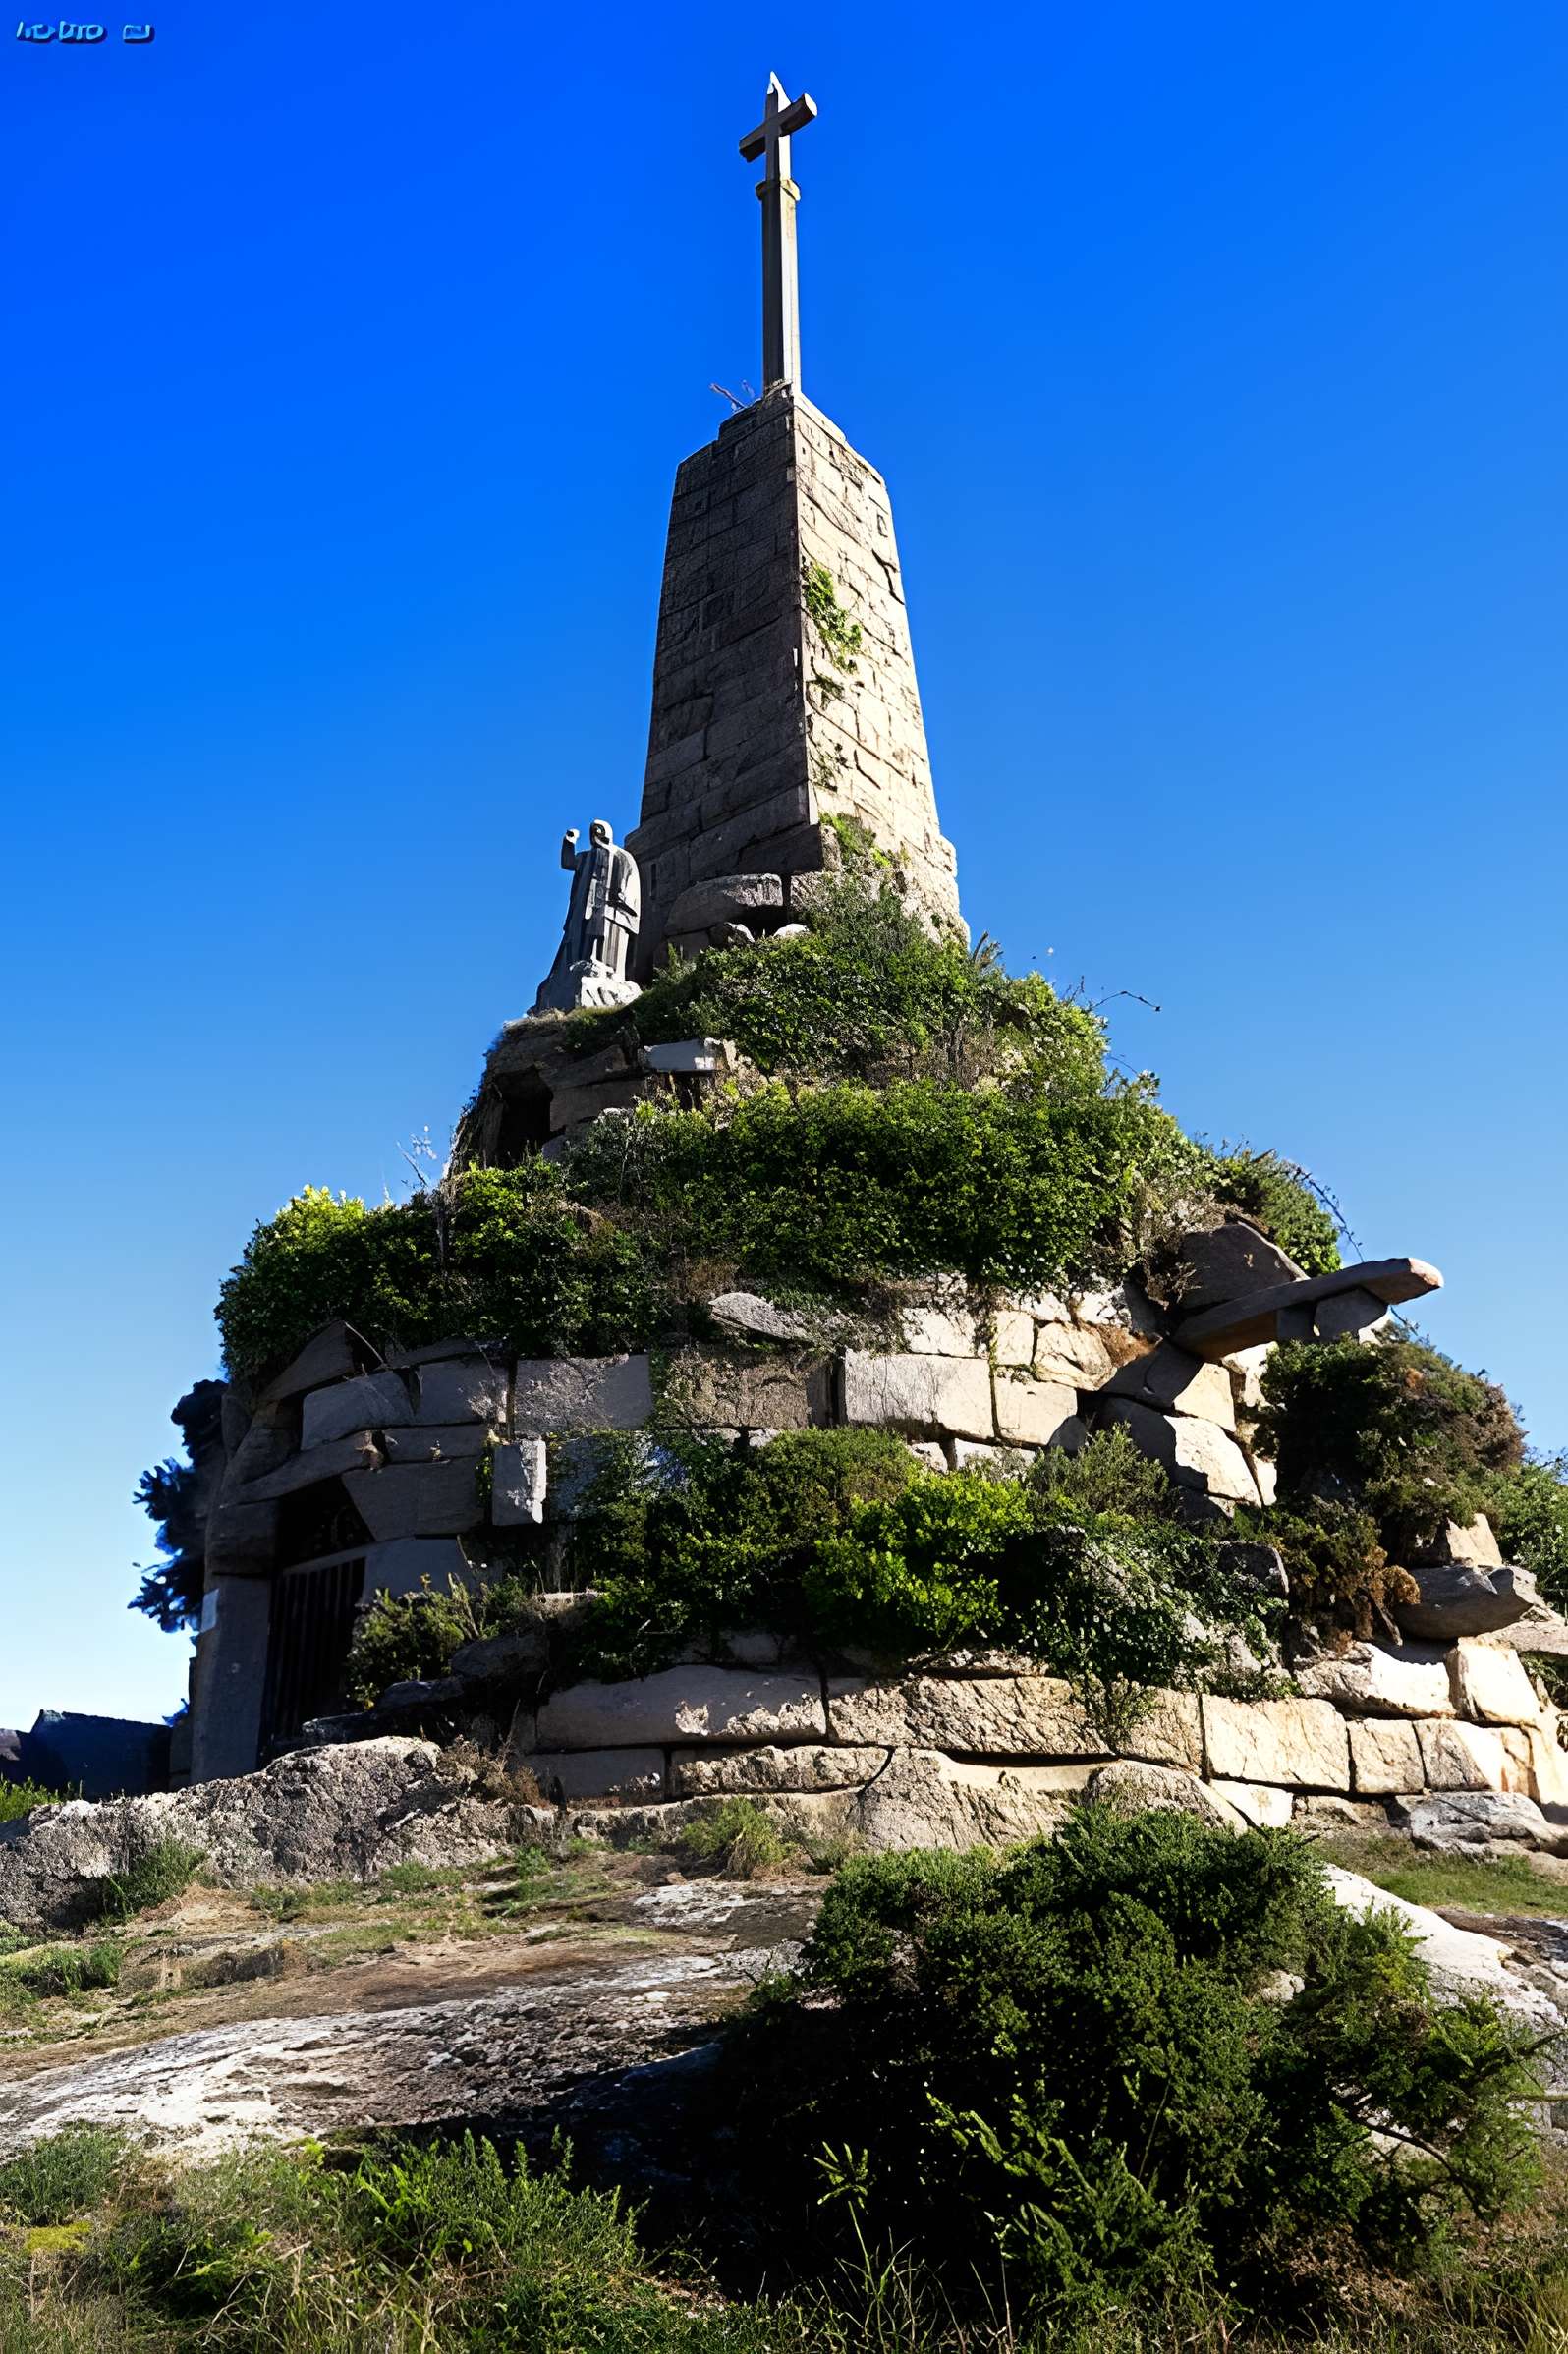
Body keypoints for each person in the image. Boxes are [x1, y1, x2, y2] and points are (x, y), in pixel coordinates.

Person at [532, 819, 642, 1012]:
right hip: (582, 907)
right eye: (593, 831)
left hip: (607, 907)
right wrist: (569, 842)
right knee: (578, 939)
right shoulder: (585, 857)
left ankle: (603, 971)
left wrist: (621, 898)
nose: (596, 835)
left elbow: (629, 876)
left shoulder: (620, 855)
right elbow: (568, 862)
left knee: (602, 938)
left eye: (599, 831)